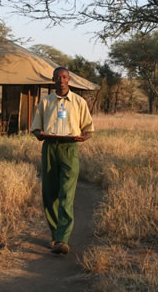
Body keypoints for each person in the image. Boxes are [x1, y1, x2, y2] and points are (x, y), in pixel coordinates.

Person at [31, 67, 94, 255]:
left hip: (69, 148)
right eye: (58, 77)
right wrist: (39, 135)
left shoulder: (79, 102)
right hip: (50, 147)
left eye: (64, 77)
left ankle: (62, 239)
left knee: (66, 193)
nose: (61, 80)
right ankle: (55, 234)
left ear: (69, 79)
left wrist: (83, 137)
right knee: (49, 194)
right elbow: (36, 128)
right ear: (52, 80)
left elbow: (88, 130)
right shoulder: (45, 102)